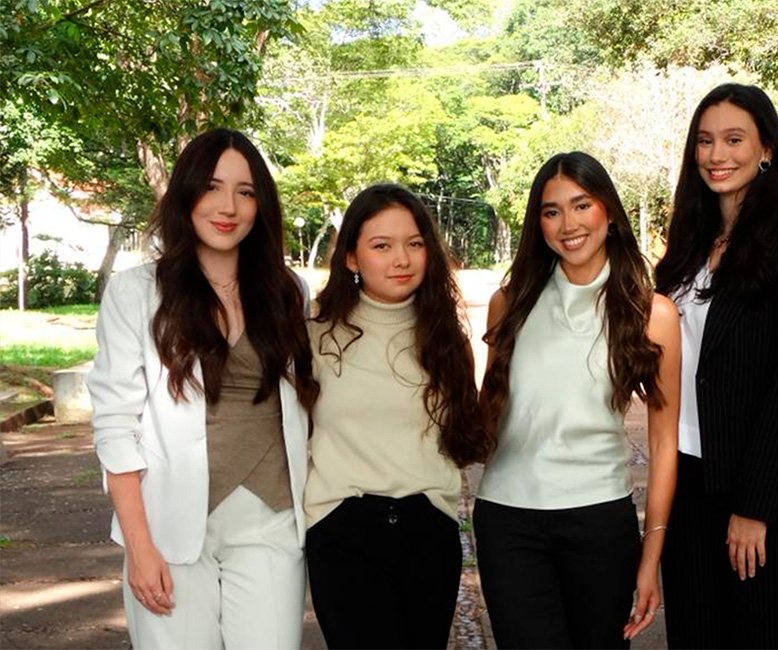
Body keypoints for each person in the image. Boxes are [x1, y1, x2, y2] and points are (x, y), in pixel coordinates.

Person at [87, 128, 319, 649]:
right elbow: (115, 425)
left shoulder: (288, 291)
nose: (228, 206)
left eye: (245, 191)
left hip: (270, 518)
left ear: (261, 204)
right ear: (186, 193)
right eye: (212, 187)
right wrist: (140, 547)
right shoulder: (136, 292)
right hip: (168, 522)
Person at [474, 152, 681, 649]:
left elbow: (664, 443)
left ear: (609, 212)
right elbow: (488, 418)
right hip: (508, 521)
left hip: (600, 522)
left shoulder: (652, 314)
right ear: (538, 223)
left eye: (581, 205)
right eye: (552, 211)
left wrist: (651, 556)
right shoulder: (509, 304)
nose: (568, 224)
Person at [654, 83, 778, 649]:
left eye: (734, 140)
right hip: (687, 478)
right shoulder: (689, 243)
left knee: (762, 635)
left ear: (766, 150)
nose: (717, 155)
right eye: (705, 141)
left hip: (762, 486)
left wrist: (754, 508)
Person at [304, 184, 494, 649]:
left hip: (428, 528)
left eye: (414, 244)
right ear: (352, 258)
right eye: (382, 246)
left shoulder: (445, 338)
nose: (401, 260)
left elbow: (462, 435)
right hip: (342, 527)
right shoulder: (313, 336)